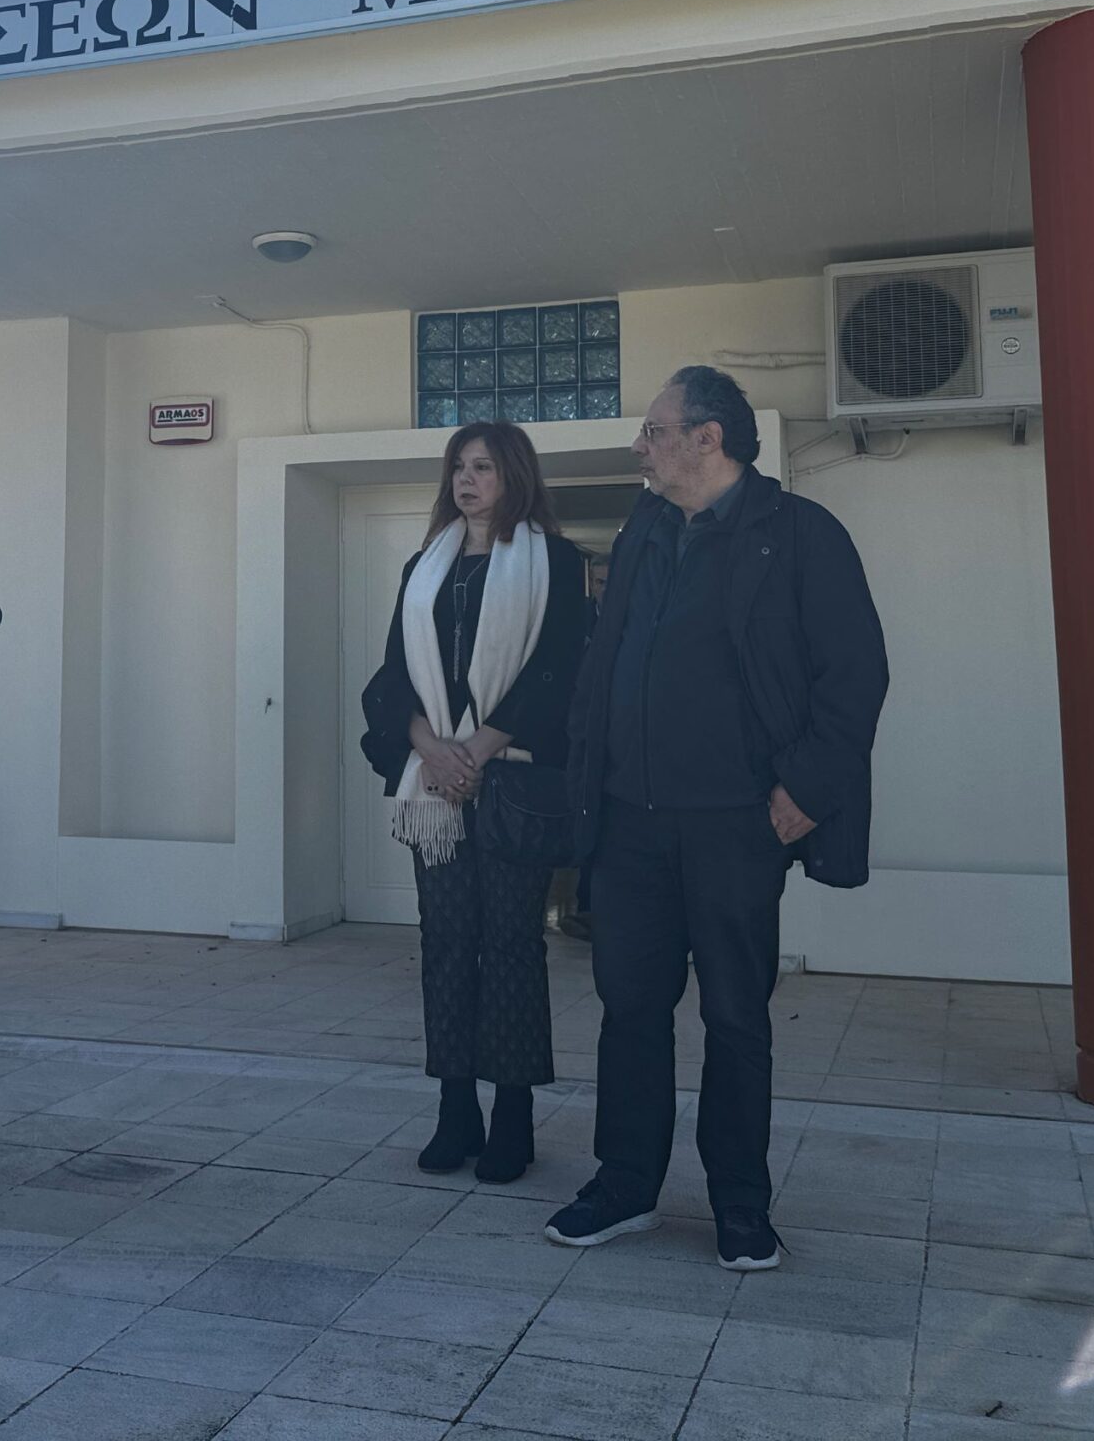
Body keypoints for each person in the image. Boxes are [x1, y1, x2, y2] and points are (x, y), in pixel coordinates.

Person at [545, 367, 888, 1270]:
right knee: (629, 1011)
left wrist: (805, 791)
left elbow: (854, 675)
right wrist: (587, 771)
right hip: (630, 824)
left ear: (708, 438)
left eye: (654, 430)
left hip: (738, 825)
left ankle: (740, 1202)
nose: (640, 445)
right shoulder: (644, 531)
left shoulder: (800, 534)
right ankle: (625, 1185)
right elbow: (605, 663)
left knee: (736, 1017)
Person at [360, 421, 590, 1184]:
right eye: (459, 467)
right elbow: (393, 674)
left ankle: (513, 1119)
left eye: (483, 466)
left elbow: (559, 670)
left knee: (513, 946)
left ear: (513, 475)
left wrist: (476, 751)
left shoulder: (555, 562)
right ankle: (455, 1109)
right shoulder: (423, 567)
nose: (467, 479)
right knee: (447, 945)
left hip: (512, 781)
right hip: (435, 786)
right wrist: (432, 749)